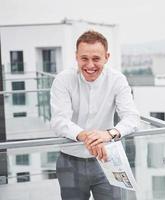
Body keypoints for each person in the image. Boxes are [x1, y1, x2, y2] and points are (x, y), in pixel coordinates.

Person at [50, 30, 140, 200]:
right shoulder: (62, 80)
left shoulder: (117, 79)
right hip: (70, 161)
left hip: (107, 159)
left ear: (107, 57)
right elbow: (59, 120)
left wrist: (108, 134)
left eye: (96, 59)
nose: (90, 65)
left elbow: (132, 117)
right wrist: (85, 136)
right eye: (84, 58)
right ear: (76, 56)